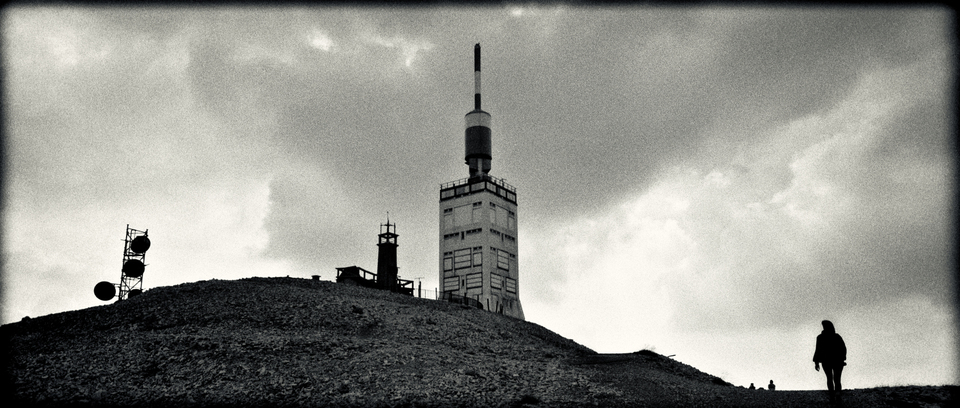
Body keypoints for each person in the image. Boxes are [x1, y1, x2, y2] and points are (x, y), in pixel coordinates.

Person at [813, 320, 847, 392]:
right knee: (836, 379)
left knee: (831, 378)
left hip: (827, 361)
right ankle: (837, 395)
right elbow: (843, 348)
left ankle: (832, 395)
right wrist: (843, 358)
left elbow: (818, 350)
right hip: (836, 361)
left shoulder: (820, 337)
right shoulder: (836, 337)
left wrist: (816, 362)